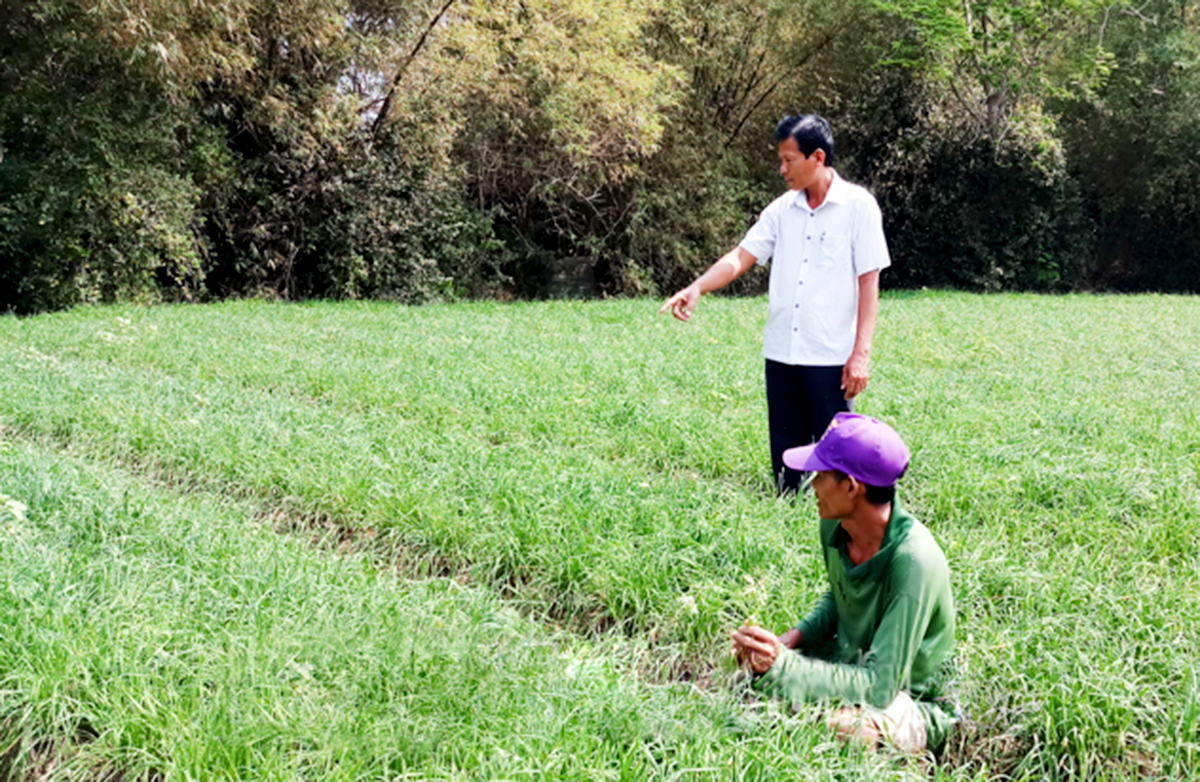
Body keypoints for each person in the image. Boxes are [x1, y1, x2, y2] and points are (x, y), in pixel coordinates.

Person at [659, 114, 890, 494]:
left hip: (830, 355)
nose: (782, 169)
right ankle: (786, 514)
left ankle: (843, 523)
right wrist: (697, 287)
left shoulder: (858, 207)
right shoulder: (783, 209)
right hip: (782, 351)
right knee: (786, 456)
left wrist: (860, 354)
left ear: (817, 157)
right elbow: (742, 256)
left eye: (789, 160)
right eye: (780, 160)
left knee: (840, 456)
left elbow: (869, 282)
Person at [730, 412, 956, 752]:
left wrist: (785, 665)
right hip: (851, 662)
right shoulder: (836, 524)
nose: (812, 484)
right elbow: (840, 595)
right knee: (752, 675)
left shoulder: (914, 561)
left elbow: (881, 688)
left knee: (840, 730)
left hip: (906, 694)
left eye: (820, 474)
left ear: (851, 487)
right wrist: (794, 638)